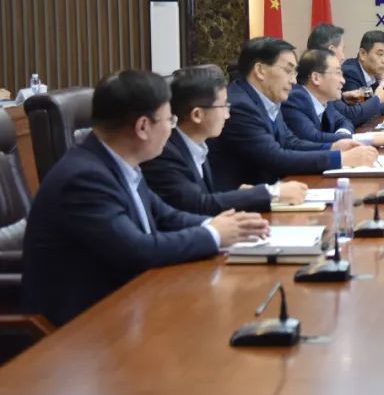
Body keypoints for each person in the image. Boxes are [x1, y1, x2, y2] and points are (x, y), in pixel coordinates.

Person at [21, 70, 269, 326]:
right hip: (84, 324)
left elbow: (165, 216)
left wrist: (222, 226)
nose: (172, 129)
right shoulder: (85, 178)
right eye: (170, 119)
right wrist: (214, 235)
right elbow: (137, 250)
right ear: (142, 127)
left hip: (129, 301)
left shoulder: (119, 161)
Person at [208, 37, 378, 190]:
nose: (293, 80)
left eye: (294, 72)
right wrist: (341, 158)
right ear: (260, 70)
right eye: (287, 71)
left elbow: (290, 142)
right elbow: (275, 158)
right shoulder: (240, 106)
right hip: (241, 203)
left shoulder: (267, 98)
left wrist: (334, 146)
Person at [142, 65, 307, 215]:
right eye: (223, 107)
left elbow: (208, 196)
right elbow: (197, 205)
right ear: (197, 115)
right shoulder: (165, 153)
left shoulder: (199, 144)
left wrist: (242, 194)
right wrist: (271, 192)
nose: (227, 115)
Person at [282, 49, 384, 146]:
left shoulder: (326, 99)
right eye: (338, 73)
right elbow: (313, 138)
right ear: (316, 78)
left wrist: (342, 136)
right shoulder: (294, 99)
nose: (343, 81)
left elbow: (344, 121)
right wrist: (366, 140)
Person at [306, 23, 382, 127]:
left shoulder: (320, 78)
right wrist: (378, 99)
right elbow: (350, 116)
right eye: (342, 49)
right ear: (331, 51)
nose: (343, 57)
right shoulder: (315, 84)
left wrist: (343, 98)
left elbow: (343, 120)